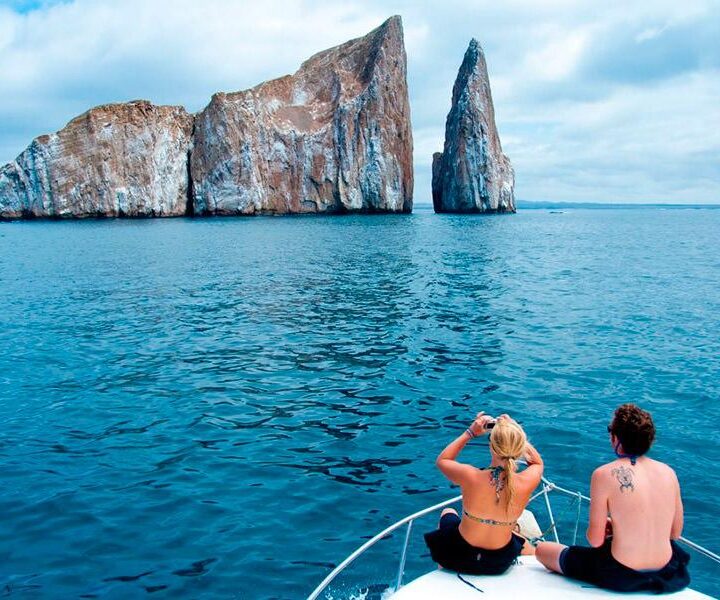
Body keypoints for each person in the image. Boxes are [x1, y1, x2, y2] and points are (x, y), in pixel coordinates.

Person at [535, 403, 690, 593]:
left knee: (543, 550)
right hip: (667, 571)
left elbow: (595, 540)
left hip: (620, 573)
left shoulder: (603, 474)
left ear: (616, 438)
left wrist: (614, 528)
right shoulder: (669, 473)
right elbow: (674, 534)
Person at [424, 412, 543, 575]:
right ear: (520, 446)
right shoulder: (526, 481)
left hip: (457, 558)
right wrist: (512, 430)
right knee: (516, 536)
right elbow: (537, 462)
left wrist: (470, 432)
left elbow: (443, 460)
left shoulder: (471, 476)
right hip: (498, 563)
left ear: (491, 446)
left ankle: (442, 568)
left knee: (448, 512)